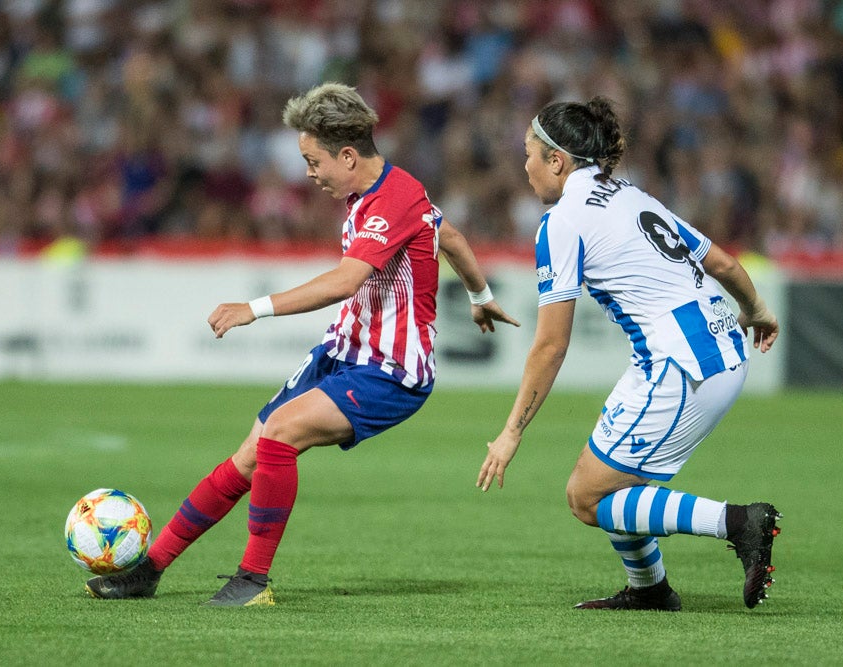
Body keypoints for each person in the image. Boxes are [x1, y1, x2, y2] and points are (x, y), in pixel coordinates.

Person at [85, 82, 519, 606]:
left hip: (391, 371)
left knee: (280, 435)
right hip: (342, 353)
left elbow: (344, 281)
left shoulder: (393, 199)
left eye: (314, 161)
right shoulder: (386, 195)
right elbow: (448, 236)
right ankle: (149, 570)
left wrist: (254, 308)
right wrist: (480, 293)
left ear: (349, 155)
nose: (309, 174)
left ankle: (252, 581)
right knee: (249, 454)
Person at [477, 97, 781, 611]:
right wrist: (758, 310)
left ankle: (740, 523)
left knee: (587, 497)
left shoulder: (562, 222)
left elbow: (551, 344)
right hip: (716, 347)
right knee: (612, 483)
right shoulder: (629, 195)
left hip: (683, 364)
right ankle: (650, 590)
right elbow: (724, 264)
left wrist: (511, 432)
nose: (523, 165)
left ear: (557, 160)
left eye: (528, 153)